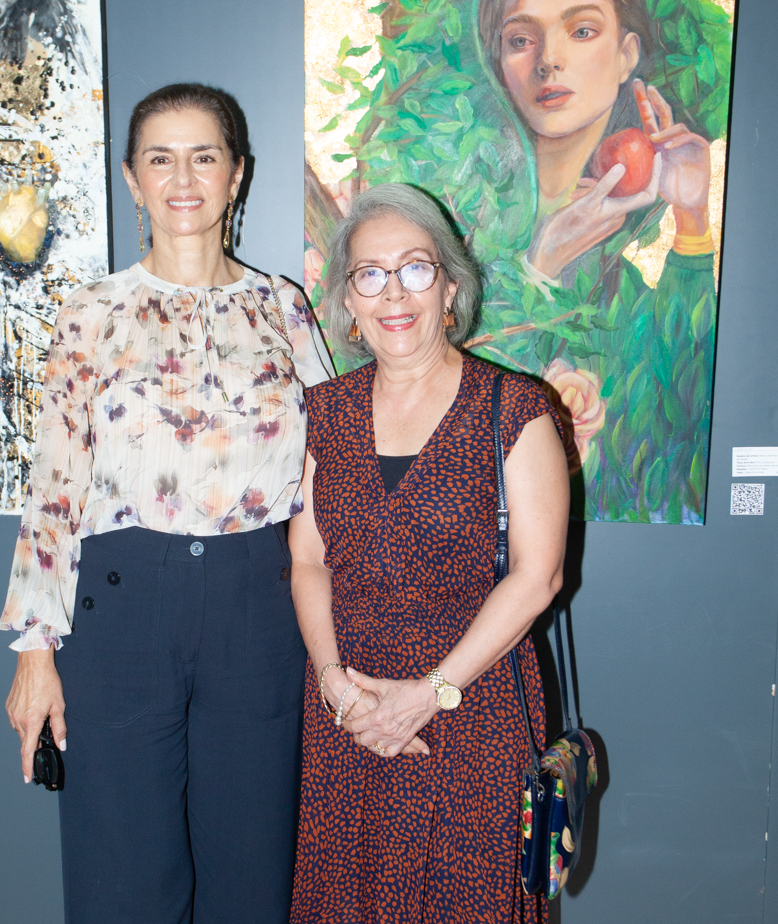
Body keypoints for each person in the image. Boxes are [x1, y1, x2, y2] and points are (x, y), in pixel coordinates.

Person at [1, 83, 334, 924]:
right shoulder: (93, 312)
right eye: (160, 159)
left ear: (236, 174)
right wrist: (36, 651)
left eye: (204, 157)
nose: (183, 179)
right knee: (122, 877)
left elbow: (328, 476)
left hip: (258, 612)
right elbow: (54, 484)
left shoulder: (283, 307)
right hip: (121, 613)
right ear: (132, 179)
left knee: (252, 872)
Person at [288, 183, 568, 923]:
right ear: (348, 302)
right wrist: (335, 686)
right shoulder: (325, 414)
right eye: (369, 274)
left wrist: (427, 695)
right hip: (350, 712)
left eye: (415, 268)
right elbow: (308, 560)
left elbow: (538, 578)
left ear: (449, 286)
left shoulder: (514, 410)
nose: (393, 292)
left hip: (470, 709)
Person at [476, 0, 716, 521]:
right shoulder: (468, 232)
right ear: (500, 63)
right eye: (521, 40)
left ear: (626, 54)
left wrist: (692, 220)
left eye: (581, 30)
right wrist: (539, 267)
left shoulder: (625, 284)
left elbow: (684, 432)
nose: (548, 60)